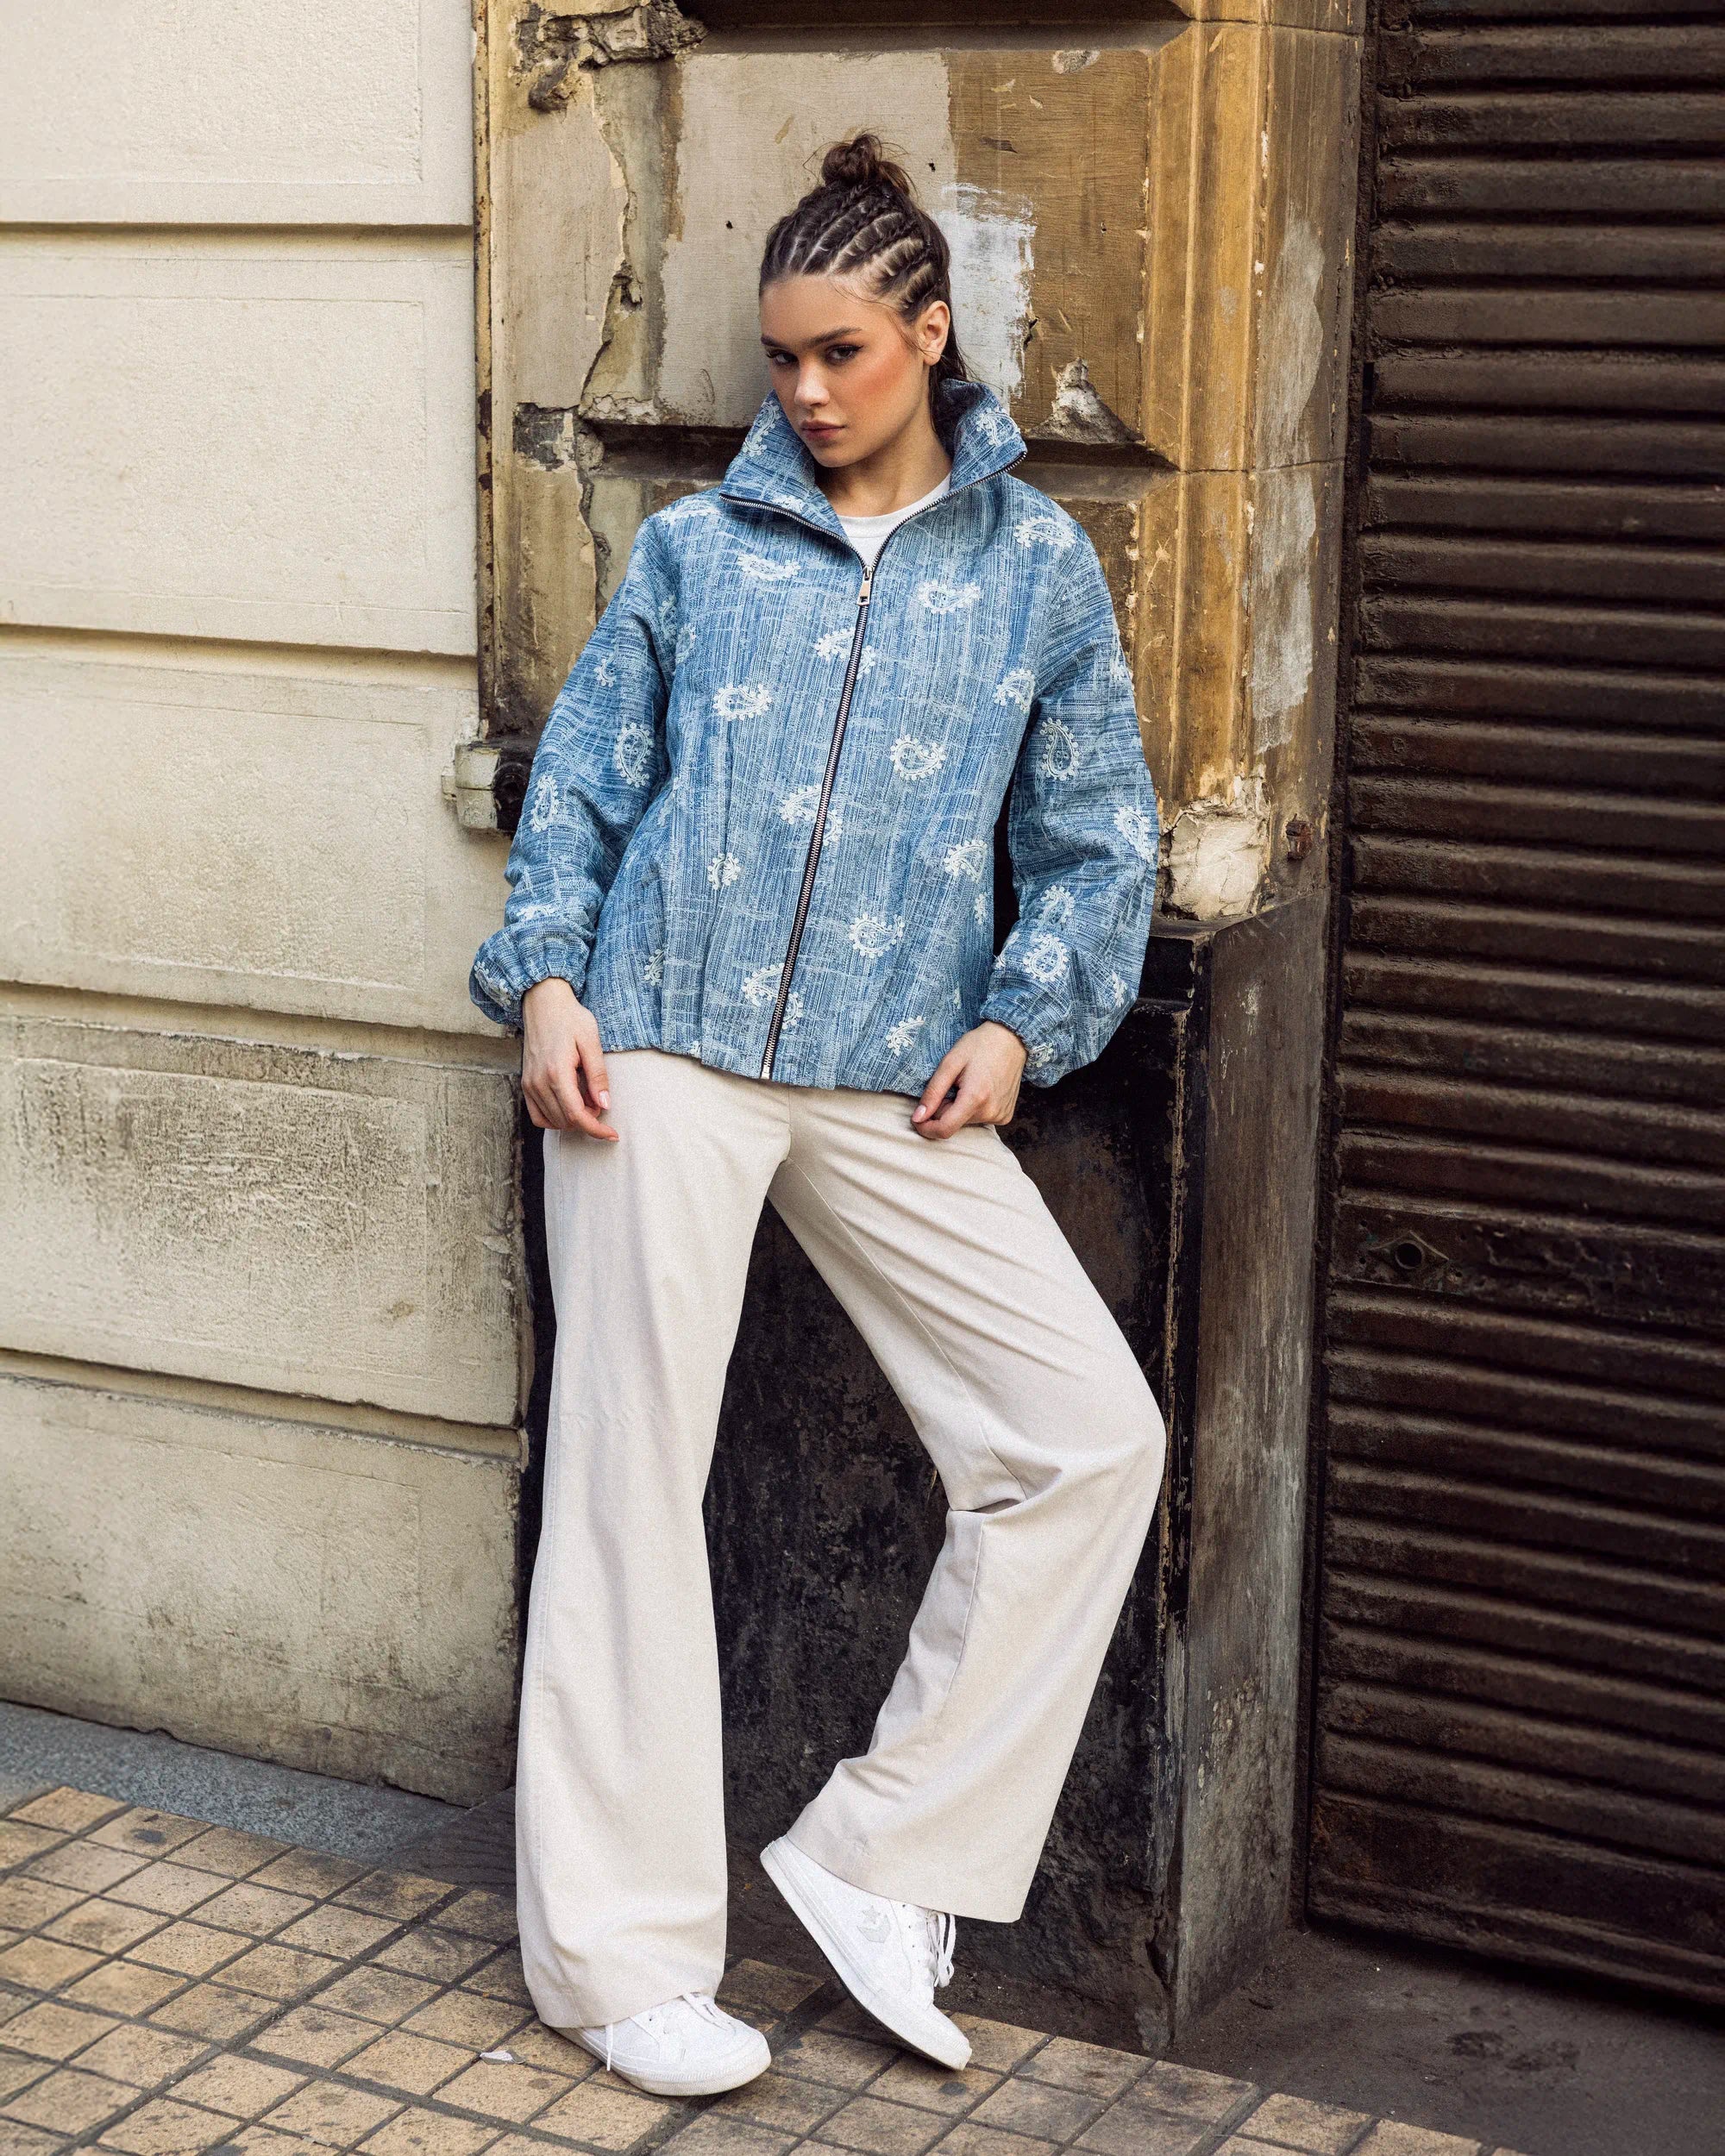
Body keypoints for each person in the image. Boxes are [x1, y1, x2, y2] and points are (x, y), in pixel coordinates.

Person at [468, 134, 1168, 2100]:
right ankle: (616, 1963)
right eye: (779, 356)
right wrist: (543, 979)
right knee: (625, 1489)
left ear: (929, 335)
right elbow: (589, 786)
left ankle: (883, 1848)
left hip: (891, 1078)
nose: (802, 388)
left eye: (842, 350)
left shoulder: (1035, 569)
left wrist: (1029, 1025)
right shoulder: (697, 549)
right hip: (659, 1049)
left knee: (1084, 1439)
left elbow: (1098, 842)